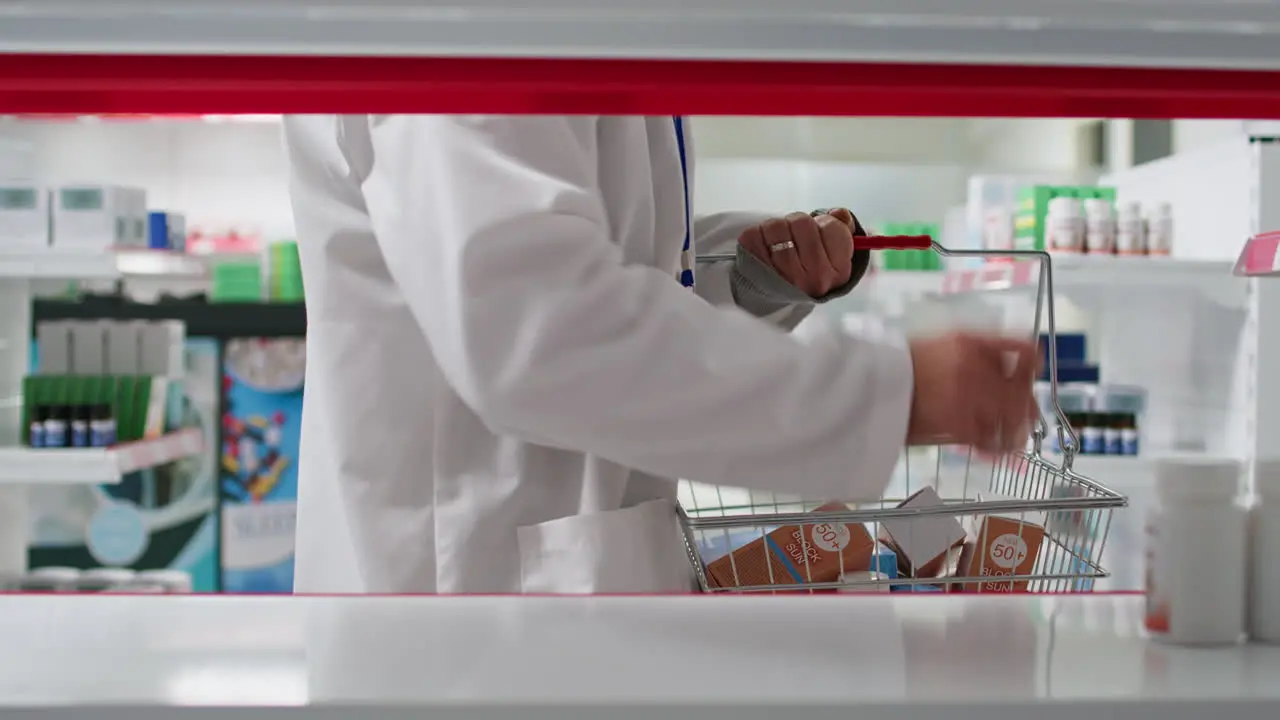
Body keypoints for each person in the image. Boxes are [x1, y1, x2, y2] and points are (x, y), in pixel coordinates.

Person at [282, 115, 1038, 594]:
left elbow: (597, 277)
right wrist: (892, 395)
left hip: (554, 597)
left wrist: (749, 279)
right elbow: (540, 331)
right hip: (465, 615)